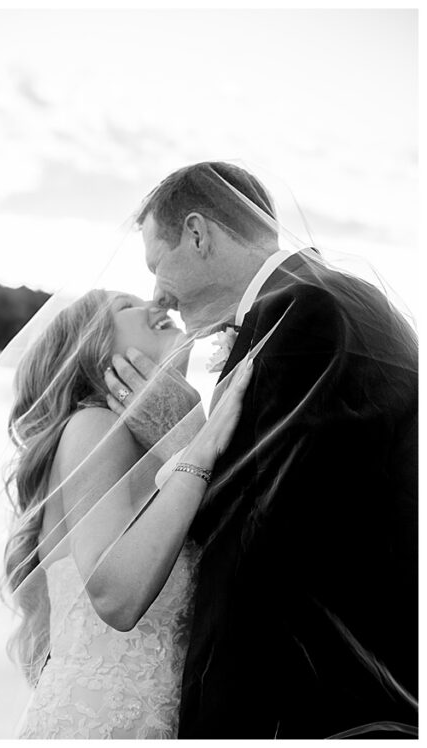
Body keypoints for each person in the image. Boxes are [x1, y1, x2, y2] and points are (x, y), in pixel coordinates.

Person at [114, 161, 418, 737]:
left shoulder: (310, 314)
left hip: (317, 707)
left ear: (198, 234)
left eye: (157, 265)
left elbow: (271, 529)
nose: (158, 294)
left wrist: (183, 443)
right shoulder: (307, 305)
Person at [5, 289, 254, 738]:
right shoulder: (93, 428)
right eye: (127, 308)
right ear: (93, 353)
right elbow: (116, 596)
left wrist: (188, 437)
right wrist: (201, 444)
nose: (158, 305)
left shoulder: (155, 448)